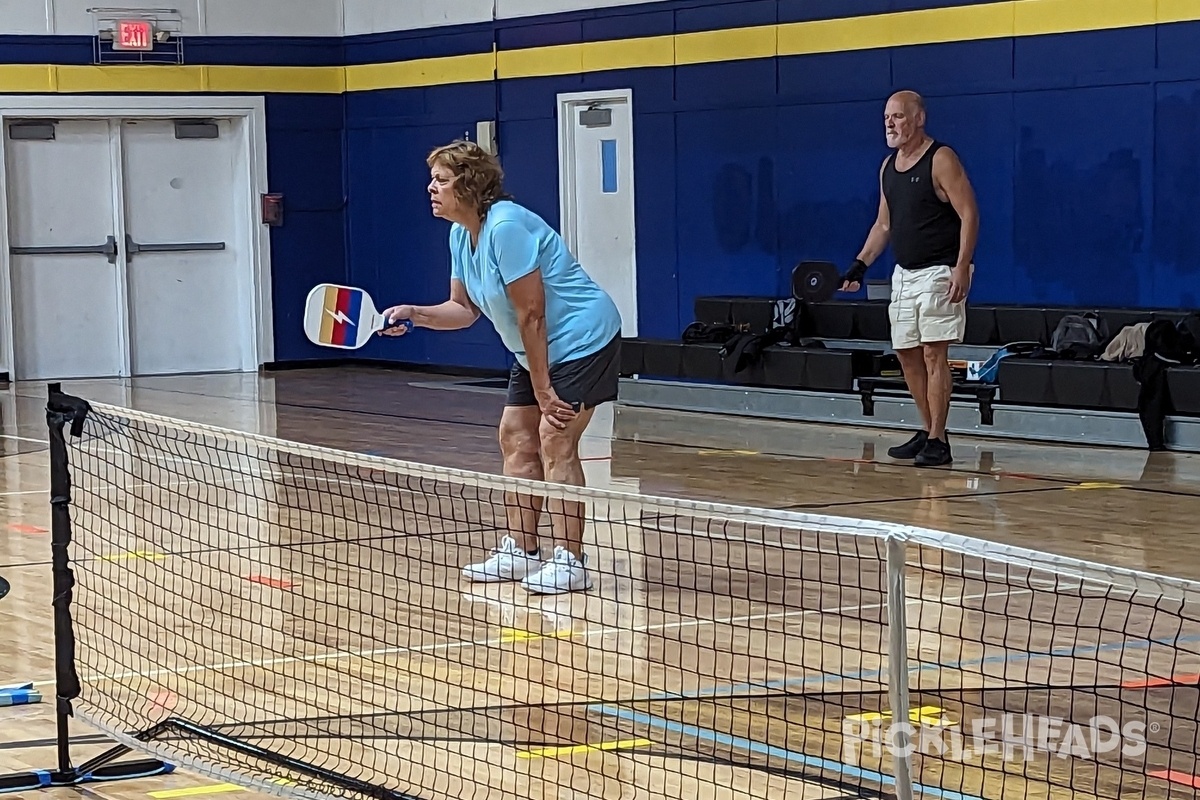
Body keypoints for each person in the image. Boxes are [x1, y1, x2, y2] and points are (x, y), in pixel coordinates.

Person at [380, 140, 623, 594]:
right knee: (515, 436)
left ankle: (570, 560)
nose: (430, 188)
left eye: (441, 180)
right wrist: (415, 313)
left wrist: (544, 388)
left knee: (555, 436)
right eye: (432, 179)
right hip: (535, 348)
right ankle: (521, 550)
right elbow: (462, 309)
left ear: (468, 185)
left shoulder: (507, 228)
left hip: (581, 338)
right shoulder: (460, 234)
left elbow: (532, 313)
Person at [840, 90, 979, 467]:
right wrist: (860, 264)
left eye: (898, 116)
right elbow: (884, 224)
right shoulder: (888, 167)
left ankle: (938, 440)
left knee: (935, 353)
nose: (889, 123)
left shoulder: (941, 159)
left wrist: (962, 265)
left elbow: (969, 213)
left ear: (919, 119)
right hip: (904, 275)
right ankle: (930, 429)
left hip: (940, 271)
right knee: (906, 354)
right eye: (887, 116)